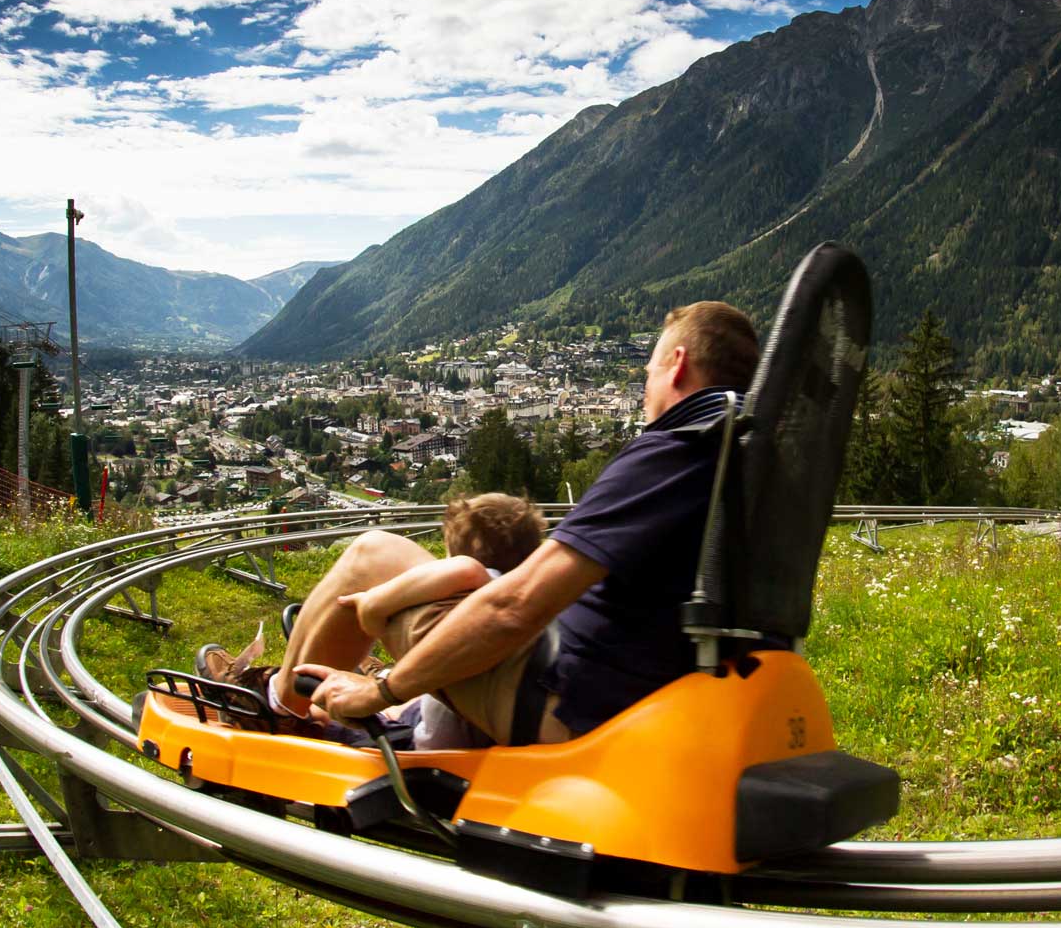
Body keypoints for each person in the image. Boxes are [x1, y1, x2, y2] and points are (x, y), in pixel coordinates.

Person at [273, 301, 759, 746]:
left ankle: (278, 711)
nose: (646, 385)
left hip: (569, 705)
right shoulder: (744, 459)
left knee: (372, 554)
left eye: (648, 370)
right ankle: (286, 691)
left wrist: (378, 691)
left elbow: (514, 607)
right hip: (651, 690)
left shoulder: (674, 452)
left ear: (676, 363)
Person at [195, 492, 543, 749]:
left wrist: (377, 604)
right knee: (414, 698)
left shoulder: (480, 579)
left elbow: (467, 570)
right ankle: (359, 678)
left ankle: (276, 706)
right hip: (475, 719)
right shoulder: (536, 599)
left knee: (373, 550)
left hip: (426, 745)